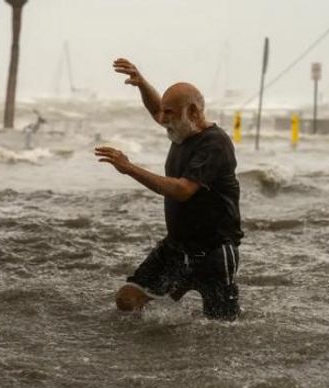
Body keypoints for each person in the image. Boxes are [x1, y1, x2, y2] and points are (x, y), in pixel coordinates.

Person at [95, 58, 244, 321]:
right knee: (127, 300)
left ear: (194, 112)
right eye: (163, 113)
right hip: (176, 248)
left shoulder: (215, 144)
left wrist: (130, 168)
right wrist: (142, 84)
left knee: (222, 329)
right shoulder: (180, 130)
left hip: (214, 253)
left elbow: (183, 190)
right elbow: (157, 110)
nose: (163, 119)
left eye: (170, 113)